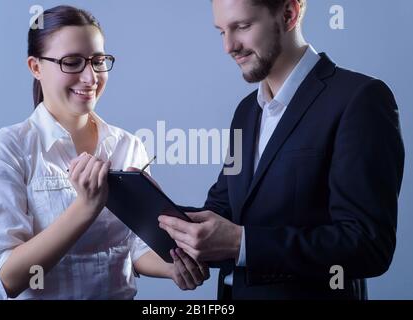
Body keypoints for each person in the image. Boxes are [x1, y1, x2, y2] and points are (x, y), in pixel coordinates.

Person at [158, 0, 405, 299]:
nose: (229, 46)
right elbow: (223, 211)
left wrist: (242, 244)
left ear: (289, 14)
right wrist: (159, 210)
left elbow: (367, 246)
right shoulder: (246, 112)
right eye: (221, 31)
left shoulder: (359, 99)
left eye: (242, 26)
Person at [0, 5, 208, 300]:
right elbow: (6, 277)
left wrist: (172, 267)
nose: (90, 77)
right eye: (72, 62)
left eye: (98, 61)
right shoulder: (6, 151)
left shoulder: (127, 146)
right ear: (35, 67)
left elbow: (134, 250)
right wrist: (85, 208)